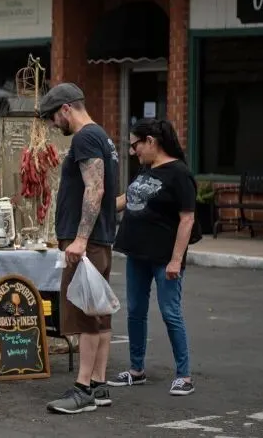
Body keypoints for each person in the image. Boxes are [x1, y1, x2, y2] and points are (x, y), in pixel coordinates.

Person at [39, 82, 120, 415]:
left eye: (53, 118)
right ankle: (99, 385)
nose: (53, 125)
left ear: (66, 109)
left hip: (87, 242)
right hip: (99, 239)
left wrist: (81, 239)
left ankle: (83, 388)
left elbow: (95, 189)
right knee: (99, 313)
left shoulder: (85, 137)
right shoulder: (103, 137)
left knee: (86, 314)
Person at [109, 118, 197, 396]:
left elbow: (187, 219)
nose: (132, 151)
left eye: (135, 145)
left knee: (170, 312)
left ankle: (184, 375)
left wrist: (176, 260)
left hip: (164, 257)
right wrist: (97, 206)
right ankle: (136, 370)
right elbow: (128, 198)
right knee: (135, 310)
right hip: (137, 252)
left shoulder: (179, 173)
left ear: (151, 141)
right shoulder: (146, 169)